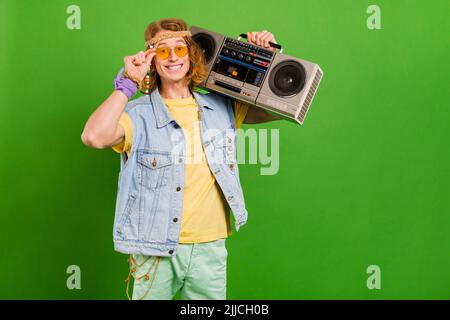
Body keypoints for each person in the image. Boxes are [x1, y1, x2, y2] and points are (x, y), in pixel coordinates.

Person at [81, 18, 281, 300]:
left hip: (210, 248)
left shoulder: (221, 107)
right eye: (162, 51)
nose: (173, 56)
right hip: (154, 248)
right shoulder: (137, 115)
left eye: (180, 48)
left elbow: (281, 106)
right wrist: (127, 84)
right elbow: (94, 136)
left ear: (192, 55)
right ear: (152, 60)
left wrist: (266, 56)